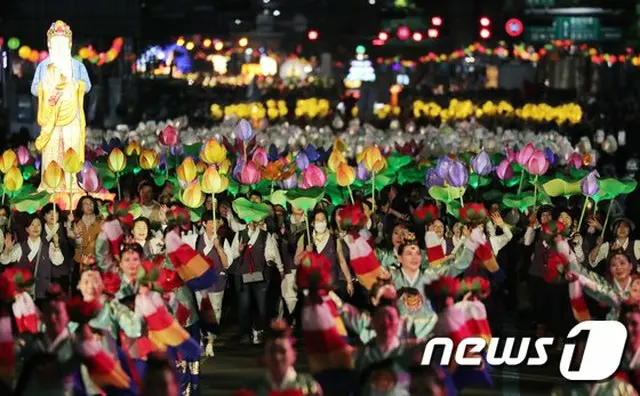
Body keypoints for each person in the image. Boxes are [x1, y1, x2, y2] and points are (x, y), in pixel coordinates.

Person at [31, 20, 91, 192]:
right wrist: (48, 90)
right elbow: (35, 88)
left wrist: (72, 87)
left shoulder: (77, 66)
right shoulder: (43, 66)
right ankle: (51, 184)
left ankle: (72, 183)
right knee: (52, 150)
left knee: (70, 148)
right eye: (55, 43)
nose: (59, 47)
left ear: (69, 44)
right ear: (49, 44)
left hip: (72, 115)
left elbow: (86, 85)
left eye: (63, 43)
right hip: (51, 116)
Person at [241, 320, 323, 395]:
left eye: (282, 351)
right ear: (264, 357)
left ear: (293, 355)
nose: (277, 357)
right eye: (271, 351)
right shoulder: (252, 390)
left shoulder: (308, 386)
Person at [1, 215, 65, 301]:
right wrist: (7, 249)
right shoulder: (19, 247)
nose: (35, 228)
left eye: (38, 225)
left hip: (43, 293)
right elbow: (4, 260)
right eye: (32, 225)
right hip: (22, 295)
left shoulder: (49, 246)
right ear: (27, 229)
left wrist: (56, 244)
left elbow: (58, 261)